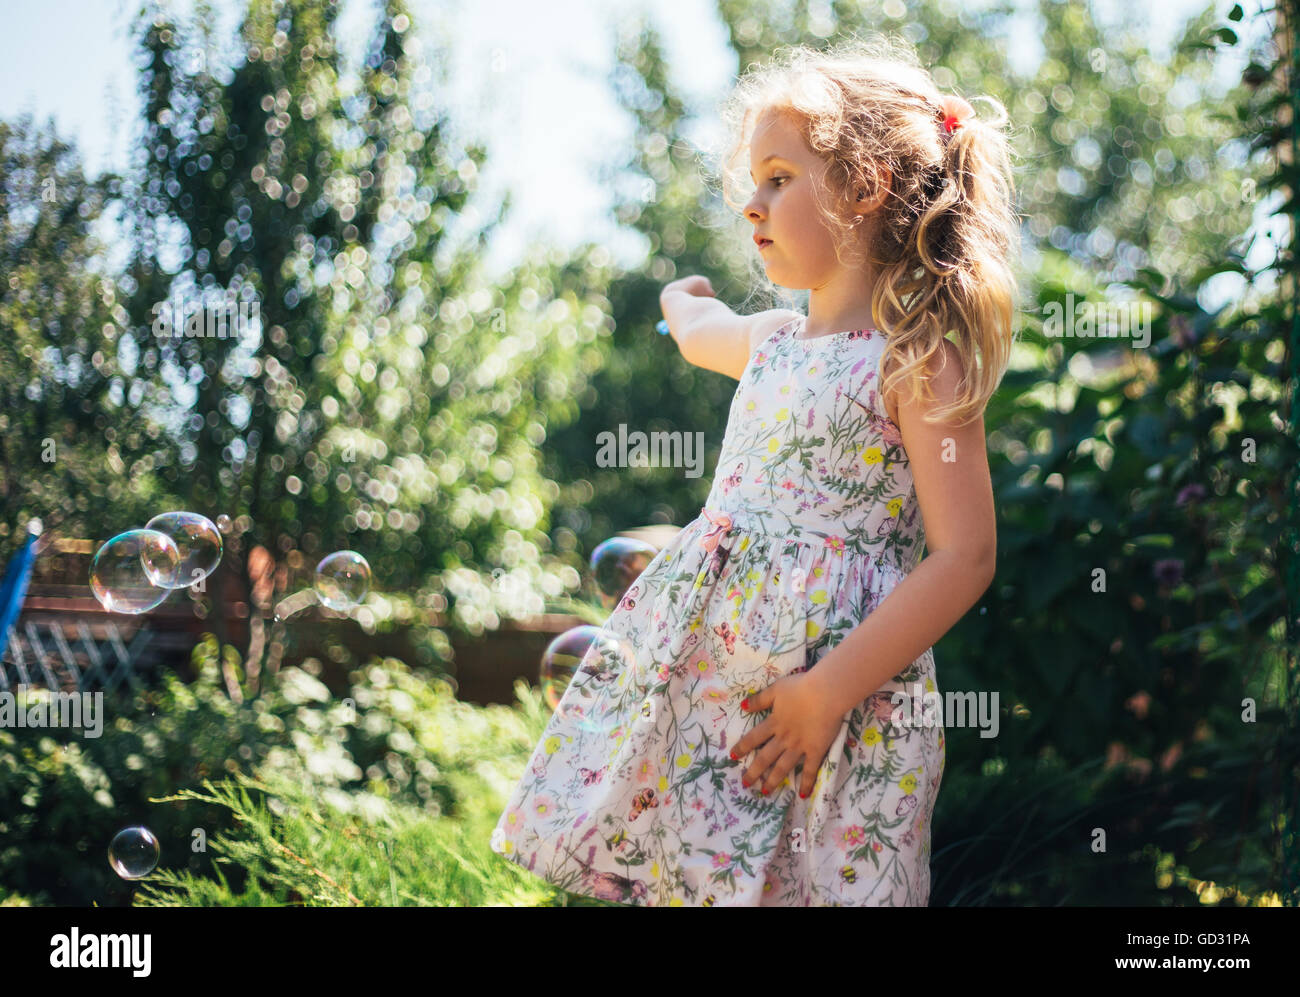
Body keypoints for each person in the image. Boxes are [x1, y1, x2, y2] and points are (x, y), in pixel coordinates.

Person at [489, 34, 1019, 906]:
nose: (752, 203)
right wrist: (680, 299)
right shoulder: (772, 343)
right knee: (699, 878)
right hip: (711, 685)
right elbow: (702, 335)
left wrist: (826, 692)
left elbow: (965, 557)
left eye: (778, 177)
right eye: (753, 181)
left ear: (862, 186)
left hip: (841, 697)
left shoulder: (918, 363)